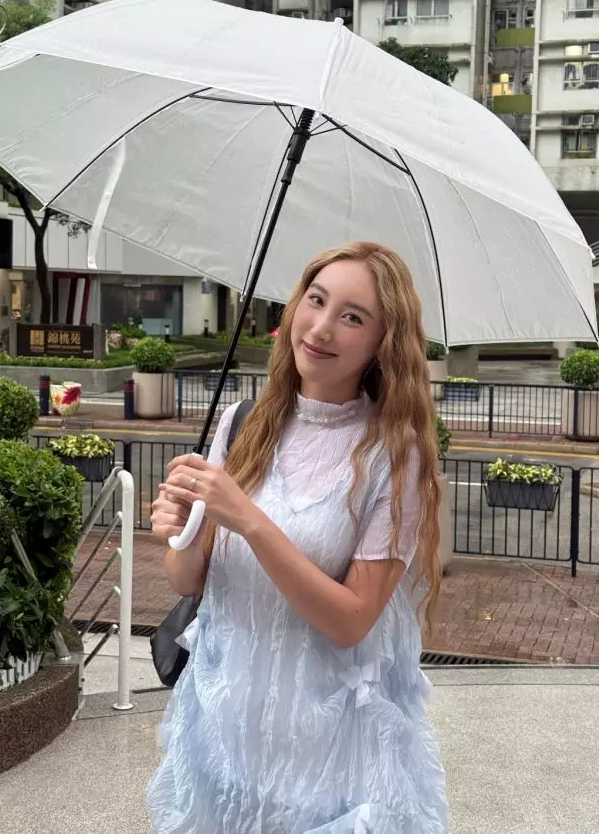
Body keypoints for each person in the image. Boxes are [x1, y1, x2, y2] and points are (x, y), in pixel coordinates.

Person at [148, 241, 449, 833]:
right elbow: (188, 582)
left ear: (382, 343)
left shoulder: (395, 455)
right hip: (223, 732)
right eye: (316, 300)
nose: (321, 327)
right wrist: (178, 531)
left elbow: (352, 620)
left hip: (326, 752)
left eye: (352, 316)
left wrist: (250, 520)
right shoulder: (243, 424)